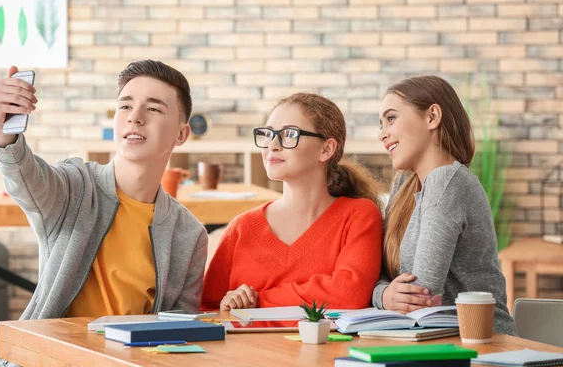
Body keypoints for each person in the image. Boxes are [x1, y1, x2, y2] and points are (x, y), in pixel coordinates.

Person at [0, 60, 208, 322]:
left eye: (153, 108)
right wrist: (4, 133)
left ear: (181, 135)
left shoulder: (189, 234)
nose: (134, 117)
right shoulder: (74, 187)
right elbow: (25, 177)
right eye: (125, 106)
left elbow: (180, 326)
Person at [201, 93, 383, 311]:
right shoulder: (241, 228)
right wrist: (227, 305)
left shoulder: (359, 215)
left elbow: (347, 294)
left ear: (326, 149)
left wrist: (259, 300)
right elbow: (210, 309)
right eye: (268, 134)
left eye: (288, 134)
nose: (272, 145)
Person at [373, 75, 516, 334]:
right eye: (381, 124)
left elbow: (421, 295)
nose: (382, 134)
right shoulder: (403, 188)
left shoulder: (448, 181)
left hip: (484, 344)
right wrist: (384, 295)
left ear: (432, 117)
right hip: (432, 338)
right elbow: (381, 274)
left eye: (391, 118)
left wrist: (386, 295)